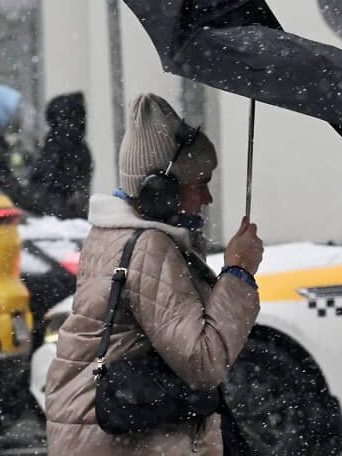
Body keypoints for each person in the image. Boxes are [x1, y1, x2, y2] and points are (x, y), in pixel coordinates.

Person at [44, 93, 263, 455]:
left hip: (96, 436)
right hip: (125, 441)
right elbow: (203, 362)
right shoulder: (148, 247)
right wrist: (238, 272)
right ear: (159, 192)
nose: (207, 197)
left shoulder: (111, 233)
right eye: (199, 184)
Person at [27, 91, 93, 219]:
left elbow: (44, 174)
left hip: (54, 210)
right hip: (75, 209)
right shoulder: (81, 145)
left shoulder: (55, 141)